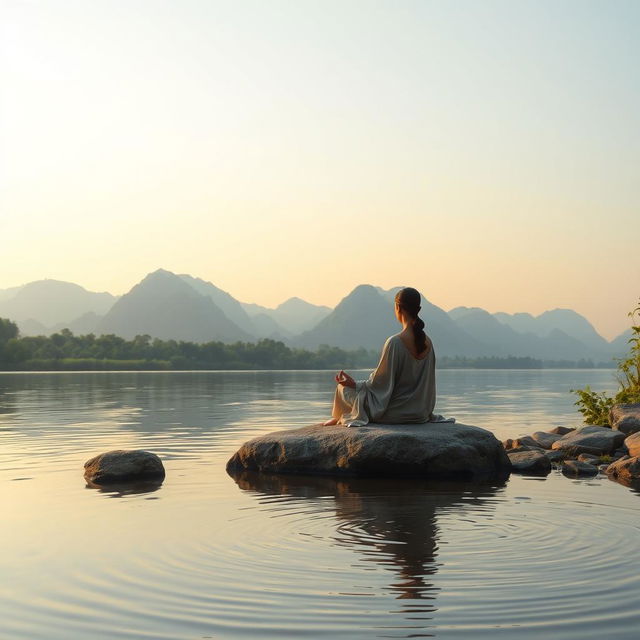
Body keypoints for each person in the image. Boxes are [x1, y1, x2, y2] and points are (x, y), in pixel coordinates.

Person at [324, 287, 447, 427]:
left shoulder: (395, 342)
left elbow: (379, 384)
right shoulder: (428, 342)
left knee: (342, 388)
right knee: (353, 392)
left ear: (398, 308)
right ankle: (343, 416)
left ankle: (341, 417)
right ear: (418, 309)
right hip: (420, 414)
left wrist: (354, 384)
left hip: (395, 415)